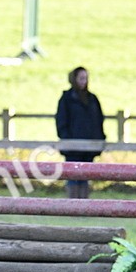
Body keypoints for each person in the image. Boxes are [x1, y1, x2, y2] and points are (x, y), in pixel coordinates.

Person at [55, 67, 105, 199]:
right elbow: (61, 121)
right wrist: (67, 140)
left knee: (85, 177)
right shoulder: (67, 99)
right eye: (81, 78)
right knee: (73, 176)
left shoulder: (92, 99)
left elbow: (99, 120)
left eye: (86, 78)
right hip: (72, 147)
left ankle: (84, 205)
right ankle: (73, 205)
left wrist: (99, 140)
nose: (84, 81)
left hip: (89, 147)